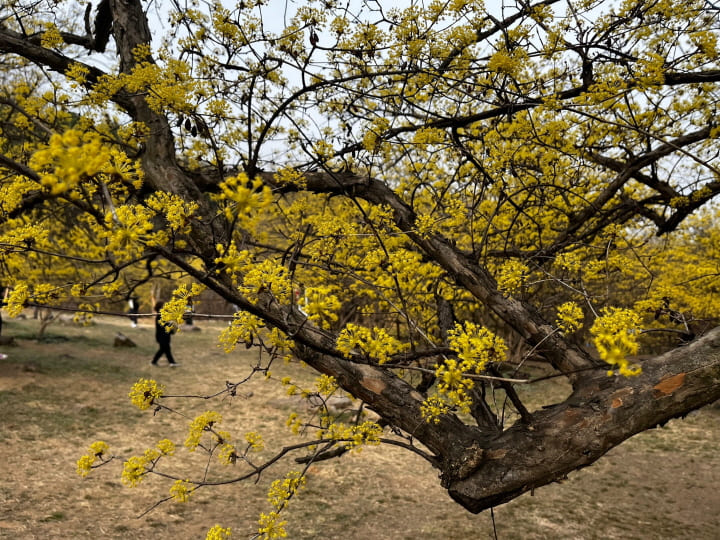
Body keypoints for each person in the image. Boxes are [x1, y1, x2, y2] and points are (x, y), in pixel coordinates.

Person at [151, 301, 180, 367]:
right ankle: (172, 362)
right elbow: (164, 326)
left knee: (164, 349)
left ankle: (154, 362)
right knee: (165, 349)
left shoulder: (164, 315)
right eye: (164, 306)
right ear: (160, 308)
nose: (166, 306)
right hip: (162, 337)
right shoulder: (160, 316)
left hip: (164, 336)